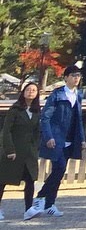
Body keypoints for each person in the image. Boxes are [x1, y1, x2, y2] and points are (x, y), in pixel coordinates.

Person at [29, 64, 86, 220]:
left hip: (70, 138)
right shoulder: (57, 95)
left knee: (60, 171)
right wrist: (49, 136)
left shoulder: (78, 95)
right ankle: (41, 197)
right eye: (73, 75)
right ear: (66, 77)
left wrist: (81, 138)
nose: (76, 78)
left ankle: (50, 204)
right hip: (57, 137)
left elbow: (79, 118)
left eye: (78, 76)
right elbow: (45, 117)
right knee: (59, 167)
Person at [0, 80, 40, 221]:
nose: (31, 92)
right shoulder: (15, 109)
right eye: (28, 90)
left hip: (29, 152)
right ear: (23, 92)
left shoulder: (36, 111)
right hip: (13, 149)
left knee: (30, 180)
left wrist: (36, 147)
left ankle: (28, 209)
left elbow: (36, 131)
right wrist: (9, 149)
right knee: (3, 180)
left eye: (34, 90)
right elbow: (7, 131)